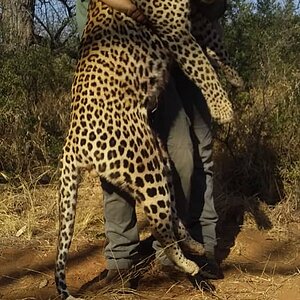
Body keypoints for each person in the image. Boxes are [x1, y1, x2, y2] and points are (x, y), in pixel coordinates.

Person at [75, 0, 223, 292]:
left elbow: (214, 8)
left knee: (183, 152)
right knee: (116, 162)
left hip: (162, 57)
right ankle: (121, 261)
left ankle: (173, 251)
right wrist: (132, 11)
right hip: (112, 60)